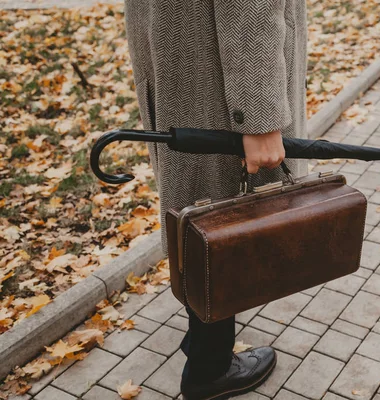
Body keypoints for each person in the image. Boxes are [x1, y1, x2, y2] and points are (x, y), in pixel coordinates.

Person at [123, 1, 308, 399]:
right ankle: (210, 368)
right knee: (217, 225)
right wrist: (260, 115)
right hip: (217, 89)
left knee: (199, 214)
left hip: (183, 66)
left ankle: (202, 341)